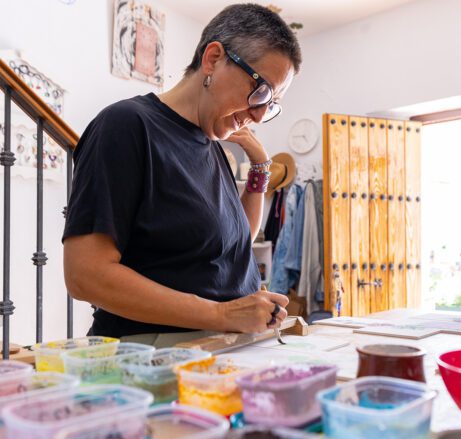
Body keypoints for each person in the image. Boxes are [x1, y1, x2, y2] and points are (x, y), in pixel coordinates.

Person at [62, 4, 302, 347]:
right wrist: (222, 315)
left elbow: (236, 245)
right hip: (151, 360)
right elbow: (85, 275)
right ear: (213, 59)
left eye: (272, 102)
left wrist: (261, 165)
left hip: (221, 350)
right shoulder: (127, 126)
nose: (260, 115)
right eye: (260, 91)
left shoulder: (214, 146)